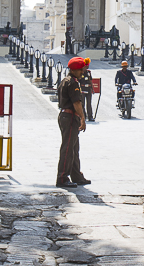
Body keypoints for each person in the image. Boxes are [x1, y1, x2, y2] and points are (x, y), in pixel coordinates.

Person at [56, 57, 90, 188]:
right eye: (81, 69)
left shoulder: (66, 80)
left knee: (74, 148)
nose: (82, 72)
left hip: (66, 116)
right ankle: (62, 177)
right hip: (70, 117)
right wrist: (82, 118)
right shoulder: (73, 83)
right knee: (68, 149)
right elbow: (76, 102)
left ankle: (76, 176)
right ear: (75, 70)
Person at [79, 58, 95, 122]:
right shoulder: (80, 72)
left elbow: (90, 80)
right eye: (86, 65)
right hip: (82, 89)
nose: (87, 66)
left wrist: (92, 88)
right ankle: (83, 116)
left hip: (88, 89)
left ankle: (90, 116)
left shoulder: (89, 72)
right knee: (82, 103)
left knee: (89, 103)